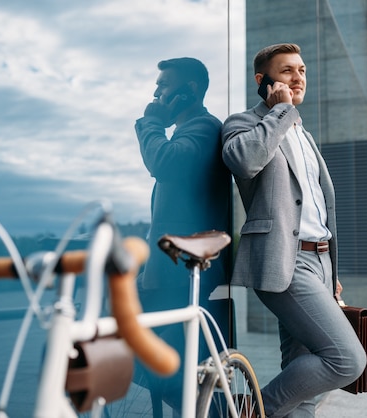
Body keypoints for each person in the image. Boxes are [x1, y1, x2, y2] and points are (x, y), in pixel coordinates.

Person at [221, 43, 366, 417]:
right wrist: (281, 110)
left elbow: (318, 207)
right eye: (287, 71)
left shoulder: (303, 133)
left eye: (302, 70)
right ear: (263, 80)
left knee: (304, 381)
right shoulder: (246, 123)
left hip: (319, 262)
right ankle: (250, 411)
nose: (298, 77)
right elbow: (243, 161)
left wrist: (330, 271)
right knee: (346, 359)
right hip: (285, 260)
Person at [134, 57, 231, 413]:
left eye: (164, 85)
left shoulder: (204, 128)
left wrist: (150, 122)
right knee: (164, 364)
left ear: (188, 91)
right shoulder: (189, 130)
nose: (156, 92)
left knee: (167, 367)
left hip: (182, 272)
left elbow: (165, 162)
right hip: (172, 270)